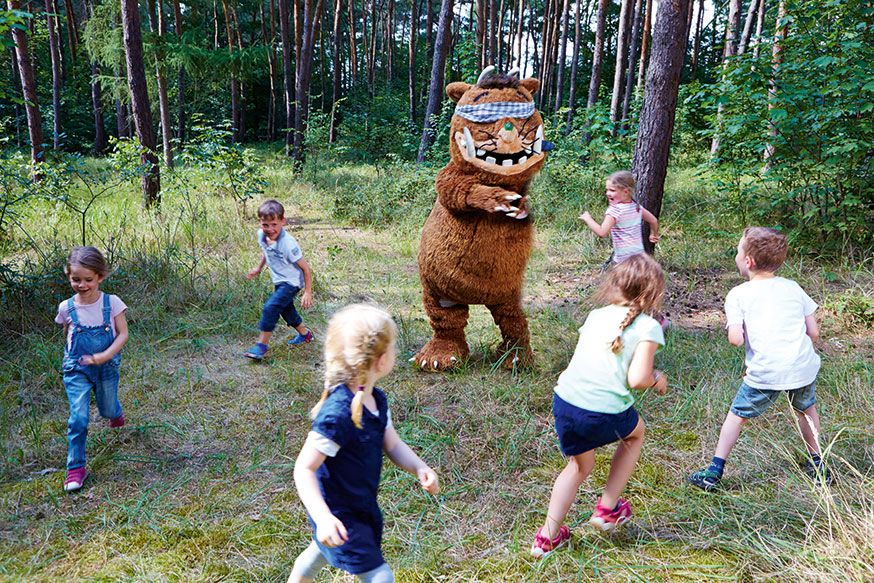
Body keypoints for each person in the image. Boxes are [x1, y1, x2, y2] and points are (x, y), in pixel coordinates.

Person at [288, 304, 439, 583]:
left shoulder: (376, 401)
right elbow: (304, 469)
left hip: (362, 505)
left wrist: (419, 467)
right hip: (339, 514)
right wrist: (323, 518)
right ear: (381, 360)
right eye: (393, 348)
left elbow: (392, 445)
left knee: (321, 551)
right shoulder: (337, 415)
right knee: (380, 576)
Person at [531, 254, 668, 558]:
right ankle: (607, 509)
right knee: (635, 434)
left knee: (579, 466)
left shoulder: (596, 315)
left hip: (565, 401)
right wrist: (657, 378)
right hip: (602, 410)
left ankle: (547, 538)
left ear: (615, 285)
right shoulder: (647, 327)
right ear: (652, 294)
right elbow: (638, 378)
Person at [688, 227, 829, 491]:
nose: (737, 255)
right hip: (802, 367)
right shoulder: (793, 287)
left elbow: (736, 339)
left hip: (765, 372)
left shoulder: (738, 294)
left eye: (738, 251)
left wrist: (735, 331)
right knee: (806, 410)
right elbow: (814, 333)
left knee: (737, 416)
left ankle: (714, 471)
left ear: (748, 261)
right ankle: (819, 464)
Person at [54, 247, 129, 492]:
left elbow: (123, 334)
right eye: (76, 279)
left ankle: (114, 411)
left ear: (100, 277)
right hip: (77, 368)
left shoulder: (112, 303)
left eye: (88, 279)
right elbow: (68, 335)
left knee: (107, 408)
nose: (82, 285)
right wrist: (73, 359)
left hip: (106, 366)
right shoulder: (66, 307)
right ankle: (76, 467)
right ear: (68, 276)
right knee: (79, 418)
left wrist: (105, 355)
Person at [244, 199, 314, 360]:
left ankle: (261, 346)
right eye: (265, 225)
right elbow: (266, 251)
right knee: (285, 308)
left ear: (283, 222)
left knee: (271, 307)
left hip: (292, 281)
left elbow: (305, 268)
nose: (270, 229)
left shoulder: (288, 244)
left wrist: (307, 292)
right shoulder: (262, 235)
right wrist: (258, 268)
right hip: (279, 280)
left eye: (274, 224)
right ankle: (305, 334)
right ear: (260, 223)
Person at [579, 170, 660, 266]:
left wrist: (588, 219)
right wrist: (653, 234)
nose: (607, 193)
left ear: (626, 192)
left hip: (623, 259)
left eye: (612, 190)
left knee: (622, 280)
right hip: (639, 257)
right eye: (607, 190)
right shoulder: (636, 207)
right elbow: (653, 220)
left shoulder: (614, 211)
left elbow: (602, 232)